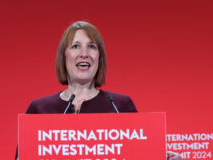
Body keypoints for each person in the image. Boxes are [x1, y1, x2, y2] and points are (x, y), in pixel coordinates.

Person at [16, 21, 181, 160]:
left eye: (92, 47)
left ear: (99, 58)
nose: (84, 54)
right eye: (75, 46)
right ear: (64, 56)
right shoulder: (39, 109)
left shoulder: (120, 106)